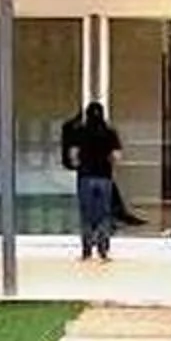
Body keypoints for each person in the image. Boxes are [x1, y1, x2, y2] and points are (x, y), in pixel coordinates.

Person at [61, 100, 122, 260]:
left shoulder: (80, 131)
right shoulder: (110, 132)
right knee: (104, 214)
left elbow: (73, 155)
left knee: (86, 214)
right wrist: (107, 163)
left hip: (86, 177)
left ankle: (86, 250)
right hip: (104, 177)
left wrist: (80, 164)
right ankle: (103, 249)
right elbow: (116, 156)